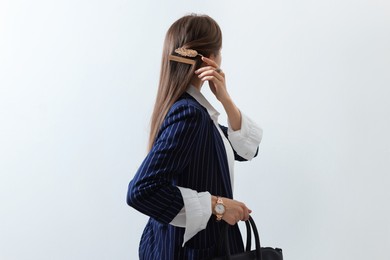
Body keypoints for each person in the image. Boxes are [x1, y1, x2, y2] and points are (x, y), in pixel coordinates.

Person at [127, 14, 263, 260]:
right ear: (211, 59)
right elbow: (141, 191)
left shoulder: (195, 113)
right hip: (191, 250)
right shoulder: (190, 114)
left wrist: (226, 100)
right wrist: (219, 206)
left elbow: (246, 150)